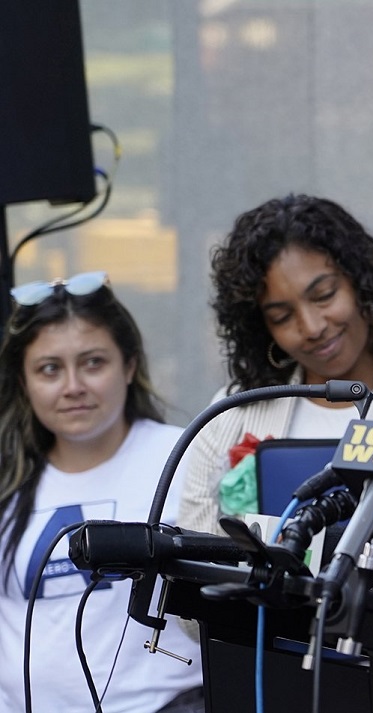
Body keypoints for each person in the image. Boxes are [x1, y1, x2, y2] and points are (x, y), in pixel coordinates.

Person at [178, 194, 373, 538]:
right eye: (282, 316)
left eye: (324, 295)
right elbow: (193, 553)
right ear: (260, 327)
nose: (311, 327)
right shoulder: (228, 416)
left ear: (361, 282)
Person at [0, 271, 204, 712]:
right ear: (23, 382)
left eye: (93, 362)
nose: (73, 386)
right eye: (50, 369)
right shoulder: (7, 484)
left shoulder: (185, 455)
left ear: (129, 365)